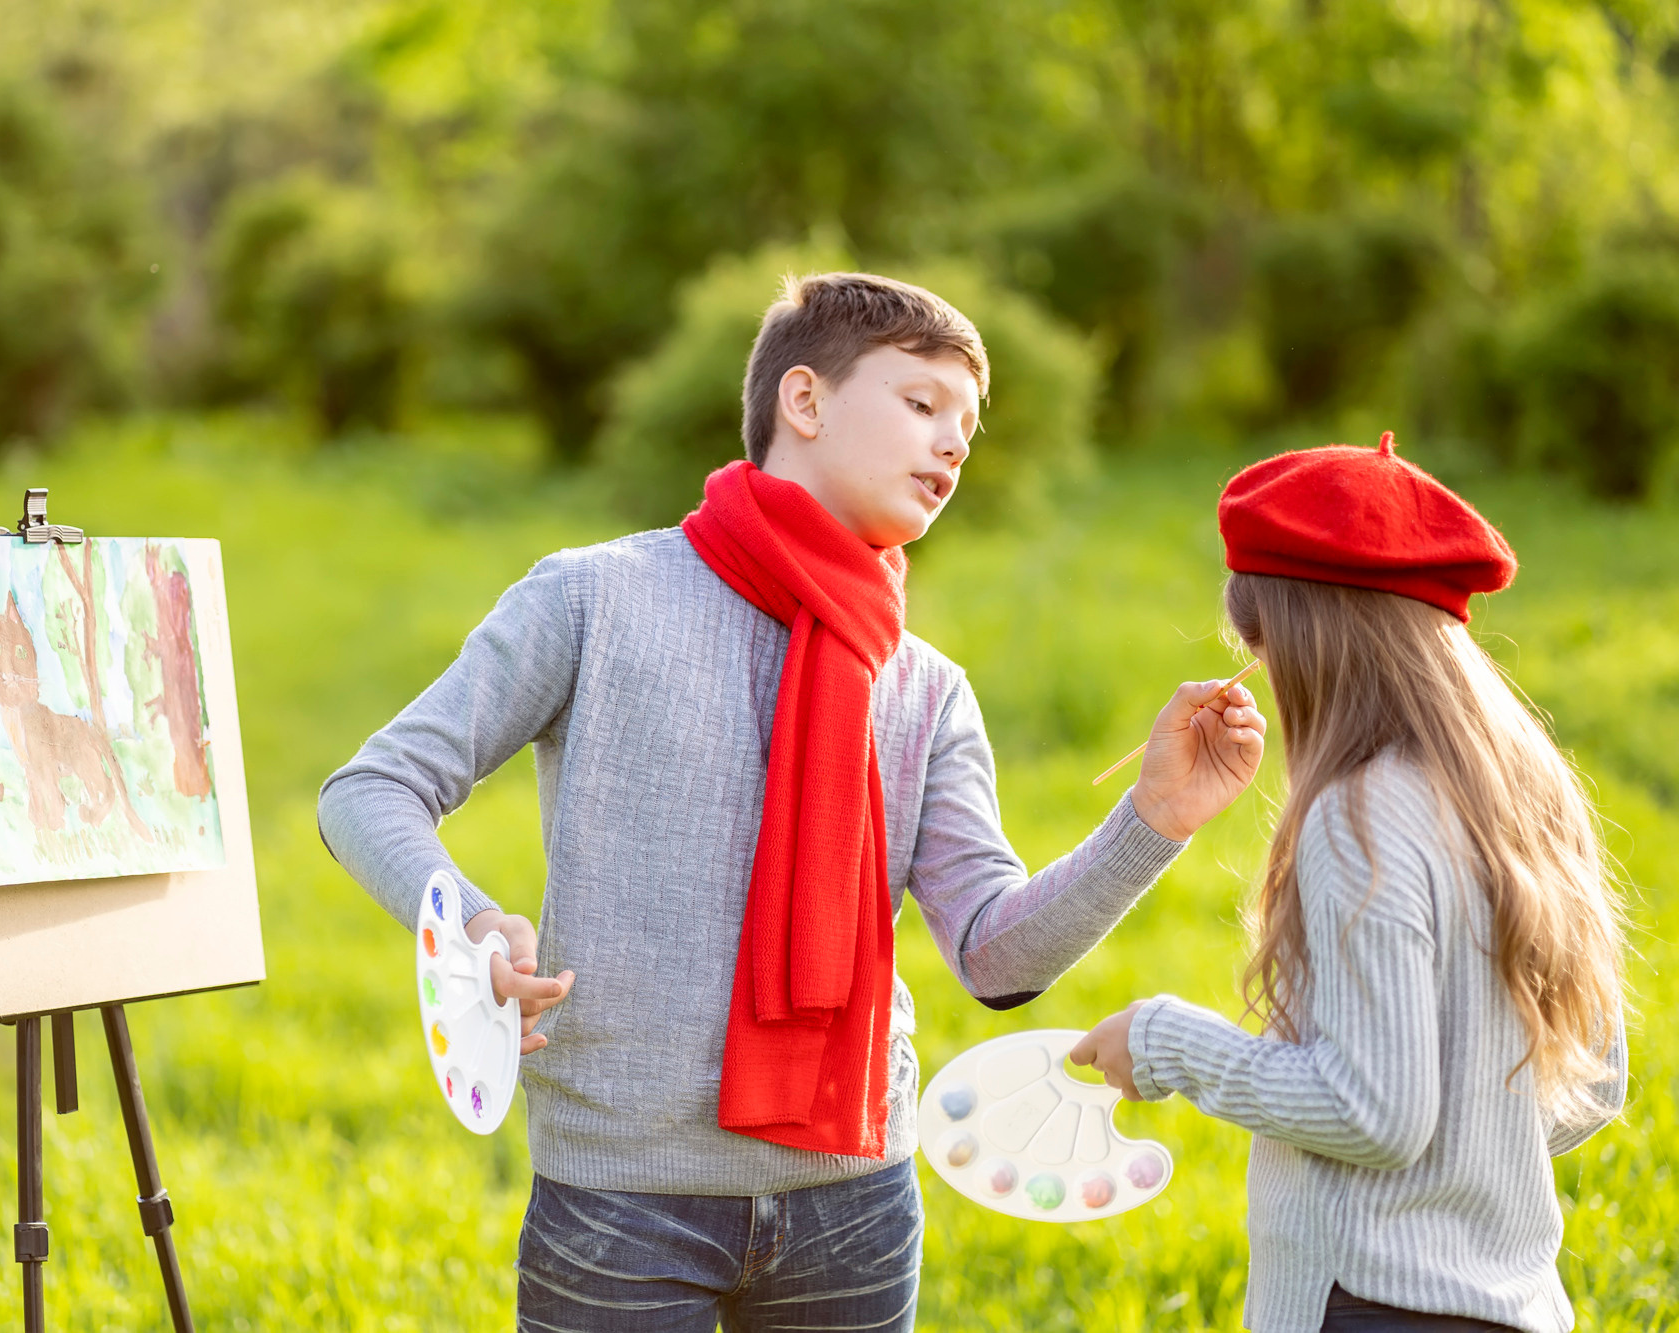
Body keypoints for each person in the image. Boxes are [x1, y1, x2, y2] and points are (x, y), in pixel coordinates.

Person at [320, 272, 1267, 1332]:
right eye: (920, 405)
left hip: (852, 1201)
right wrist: (464, 926)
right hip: (621, 1198)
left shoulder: (921, 685)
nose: (952, 445)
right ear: (803, 403)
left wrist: (1153, 821)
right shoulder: (591, 598)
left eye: (966, 426)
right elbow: (370, 789)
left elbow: (996, 958)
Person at [1071, 433, 1629, 1333]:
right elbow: (1595, 1081)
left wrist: (1167, 1041)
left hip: (1370, 1305)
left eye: (1262, 644)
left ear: (1304, 638)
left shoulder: (1357, 817)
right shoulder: (1527, 791)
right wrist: (1466, 1165)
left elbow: (1376, 1113)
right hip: (1519, 1303)